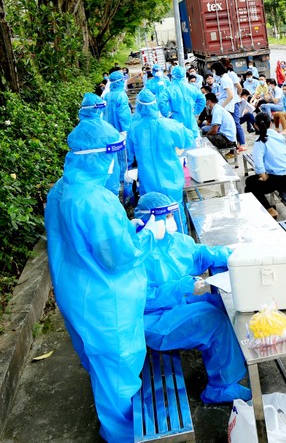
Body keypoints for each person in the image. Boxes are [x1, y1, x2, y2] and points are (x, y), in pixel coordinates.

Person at [45, 119, 164, 443]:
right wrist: (148, 235)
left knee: (101, 368)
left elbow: (82, 242)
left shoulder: (59, 191)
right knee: (119, 373)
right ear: (99, 157)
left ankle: (116, 425)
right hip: (106, 303)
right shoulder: (95, 200)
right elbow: (118, 257)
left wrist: (131, 227)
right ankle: (124, 435)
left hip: (76, 296)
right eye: (111, 155)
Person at [133, 192, 252, 404]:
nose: (171, 221)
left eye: (171, 215)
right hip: (154, 319)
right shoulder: (137, 254)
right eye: (165, 216)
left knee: (224, 306)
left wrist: (230, 255)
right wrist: (183, 286)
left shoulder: (174, 241)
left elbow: (198, 254)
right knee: (213, 320)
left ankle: (232, 361)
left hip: (178, 305)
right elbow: (143, 300)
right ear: (150, 219)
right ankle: (221, 388)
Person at [128, 89, 194, 231]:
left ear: (138, 107)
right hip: (172, 178)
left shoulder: (133, 129)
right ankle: (183, 244)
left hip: (147, 180)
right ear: (155, 105)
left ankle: (158, 247)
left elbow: (130, 154)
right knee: (175, 213)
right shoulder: (169, 125)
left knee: (152, 216)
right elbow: (188, 139)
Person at [245, 113, 286, 218]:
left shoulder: (260, 141)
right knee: (251, 182)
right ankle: (268, 208)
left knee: (249, 186)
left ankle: (269, 209)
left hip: (275, 179)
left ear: (255, 125)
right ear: (271, 123)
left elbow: (258, 162)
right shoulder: (279, 136)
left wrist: (263, 175)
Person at [164, 65, 205, 143]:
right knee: (193, 143)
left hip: (176, 119)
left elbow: (161, 102)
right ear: (184, 75)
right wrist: (196, 111)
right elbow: (202, 99)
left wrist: (167, 114)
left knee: (178, 144)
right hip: (190, 119)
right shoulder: (192, 88)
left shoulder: (169, 89)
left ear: (172, 76)